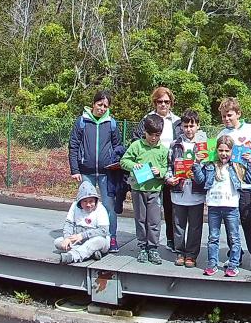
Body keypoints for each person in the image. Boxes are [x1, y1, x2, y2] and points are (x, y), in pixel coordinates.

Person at [216, 97, 251, 274]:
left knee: (249, 221)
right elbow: (215, 157)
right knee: (230, 223)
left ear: (238, 113)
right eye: (224, 116)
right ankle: (235, 255)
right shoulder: (221, 135)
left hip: (246, 184)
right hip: (227, 186)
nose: (226, 119)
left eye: (230, 115)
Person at [68, 90, 123, 251]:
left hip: (107, 173)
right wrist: (75, 169)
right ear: (93, 104)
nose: (102, 108)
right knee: (85, 206)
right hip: (86, 172)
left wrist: (115, 164)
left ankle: (111, 238)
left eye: (106, 106)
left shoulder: (111, 123)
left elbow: (118, 146)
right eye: (100, 104)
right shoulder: (82, 122)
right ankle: (83, 236)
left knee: (108, 206)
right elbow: (73, 145)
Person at [131, 87, 183, 252]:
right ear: (155, 102)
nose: (163, 104)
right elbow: (136, 140)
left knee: (171, 206)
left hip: (170, 168)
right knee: (147, 211)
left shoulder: (177, 121)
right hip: (149, 169)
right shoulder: (147, 119)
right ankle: (145, 244)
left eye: (166, 102)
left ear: (171, 103)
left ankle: (171, 239)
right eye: (159, 101)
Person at [195, 135, 251, 277]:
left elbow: (250, 179)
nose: (223, 153)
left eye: (227, 151)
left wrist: (250, 163)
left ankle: (233, 264)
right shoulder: (210, 165)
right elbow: (200, 180)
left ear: (232, 151)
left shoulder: (236, 165)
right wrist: (197, 164)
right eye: (220, 150)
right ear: (216, 150)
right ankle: (212, 264)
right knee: (213, 237)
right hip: (214, 207)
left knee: (234, 237)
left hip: (231, 207)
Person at [121, 114, 171, 265]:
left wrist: (160, 172)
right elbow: (124, 161)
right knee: (141, 219)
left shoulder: (163, 150)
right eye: (150, 134)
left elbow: (166, 168)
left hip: (155, 190)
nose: (153, 138)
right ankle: (142, 247)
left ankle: (153, 248)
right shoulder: (136, 146)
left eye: (157, 135)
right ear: (145, 132)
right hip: (138, 189)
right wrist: (132, 165)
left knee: (154, 221)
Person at [166, 109, 207, 268]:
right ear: (181, 127)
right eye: (185, 126)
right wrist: (169, 178)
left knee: (195, 227)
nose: (189, 129)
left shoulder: (203, 146)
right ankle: (180, 253)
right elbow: (169, 165)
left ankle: (191, 255)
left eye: (192, 126)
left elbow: (207, 167)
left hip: (196, 192)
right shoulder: (175, 144)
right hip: (178, 192)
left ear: (198, 126)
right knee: (178, 225)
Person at [54, 181, 110, 264]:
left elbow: (104, 231)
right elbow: (69, 224)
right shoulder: (74, 206)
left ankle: (73, 256)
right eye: (85, 201)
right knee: (58, 242)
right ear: (80, 201)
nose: (88, 205)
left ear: (96, 201)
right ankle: (90, 253)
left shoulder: (101, 209)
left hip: (96, 239)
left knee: (98, 241)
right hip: (78, 241)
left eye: (91, 201)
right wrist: (67, 238)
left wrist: (82, 235)